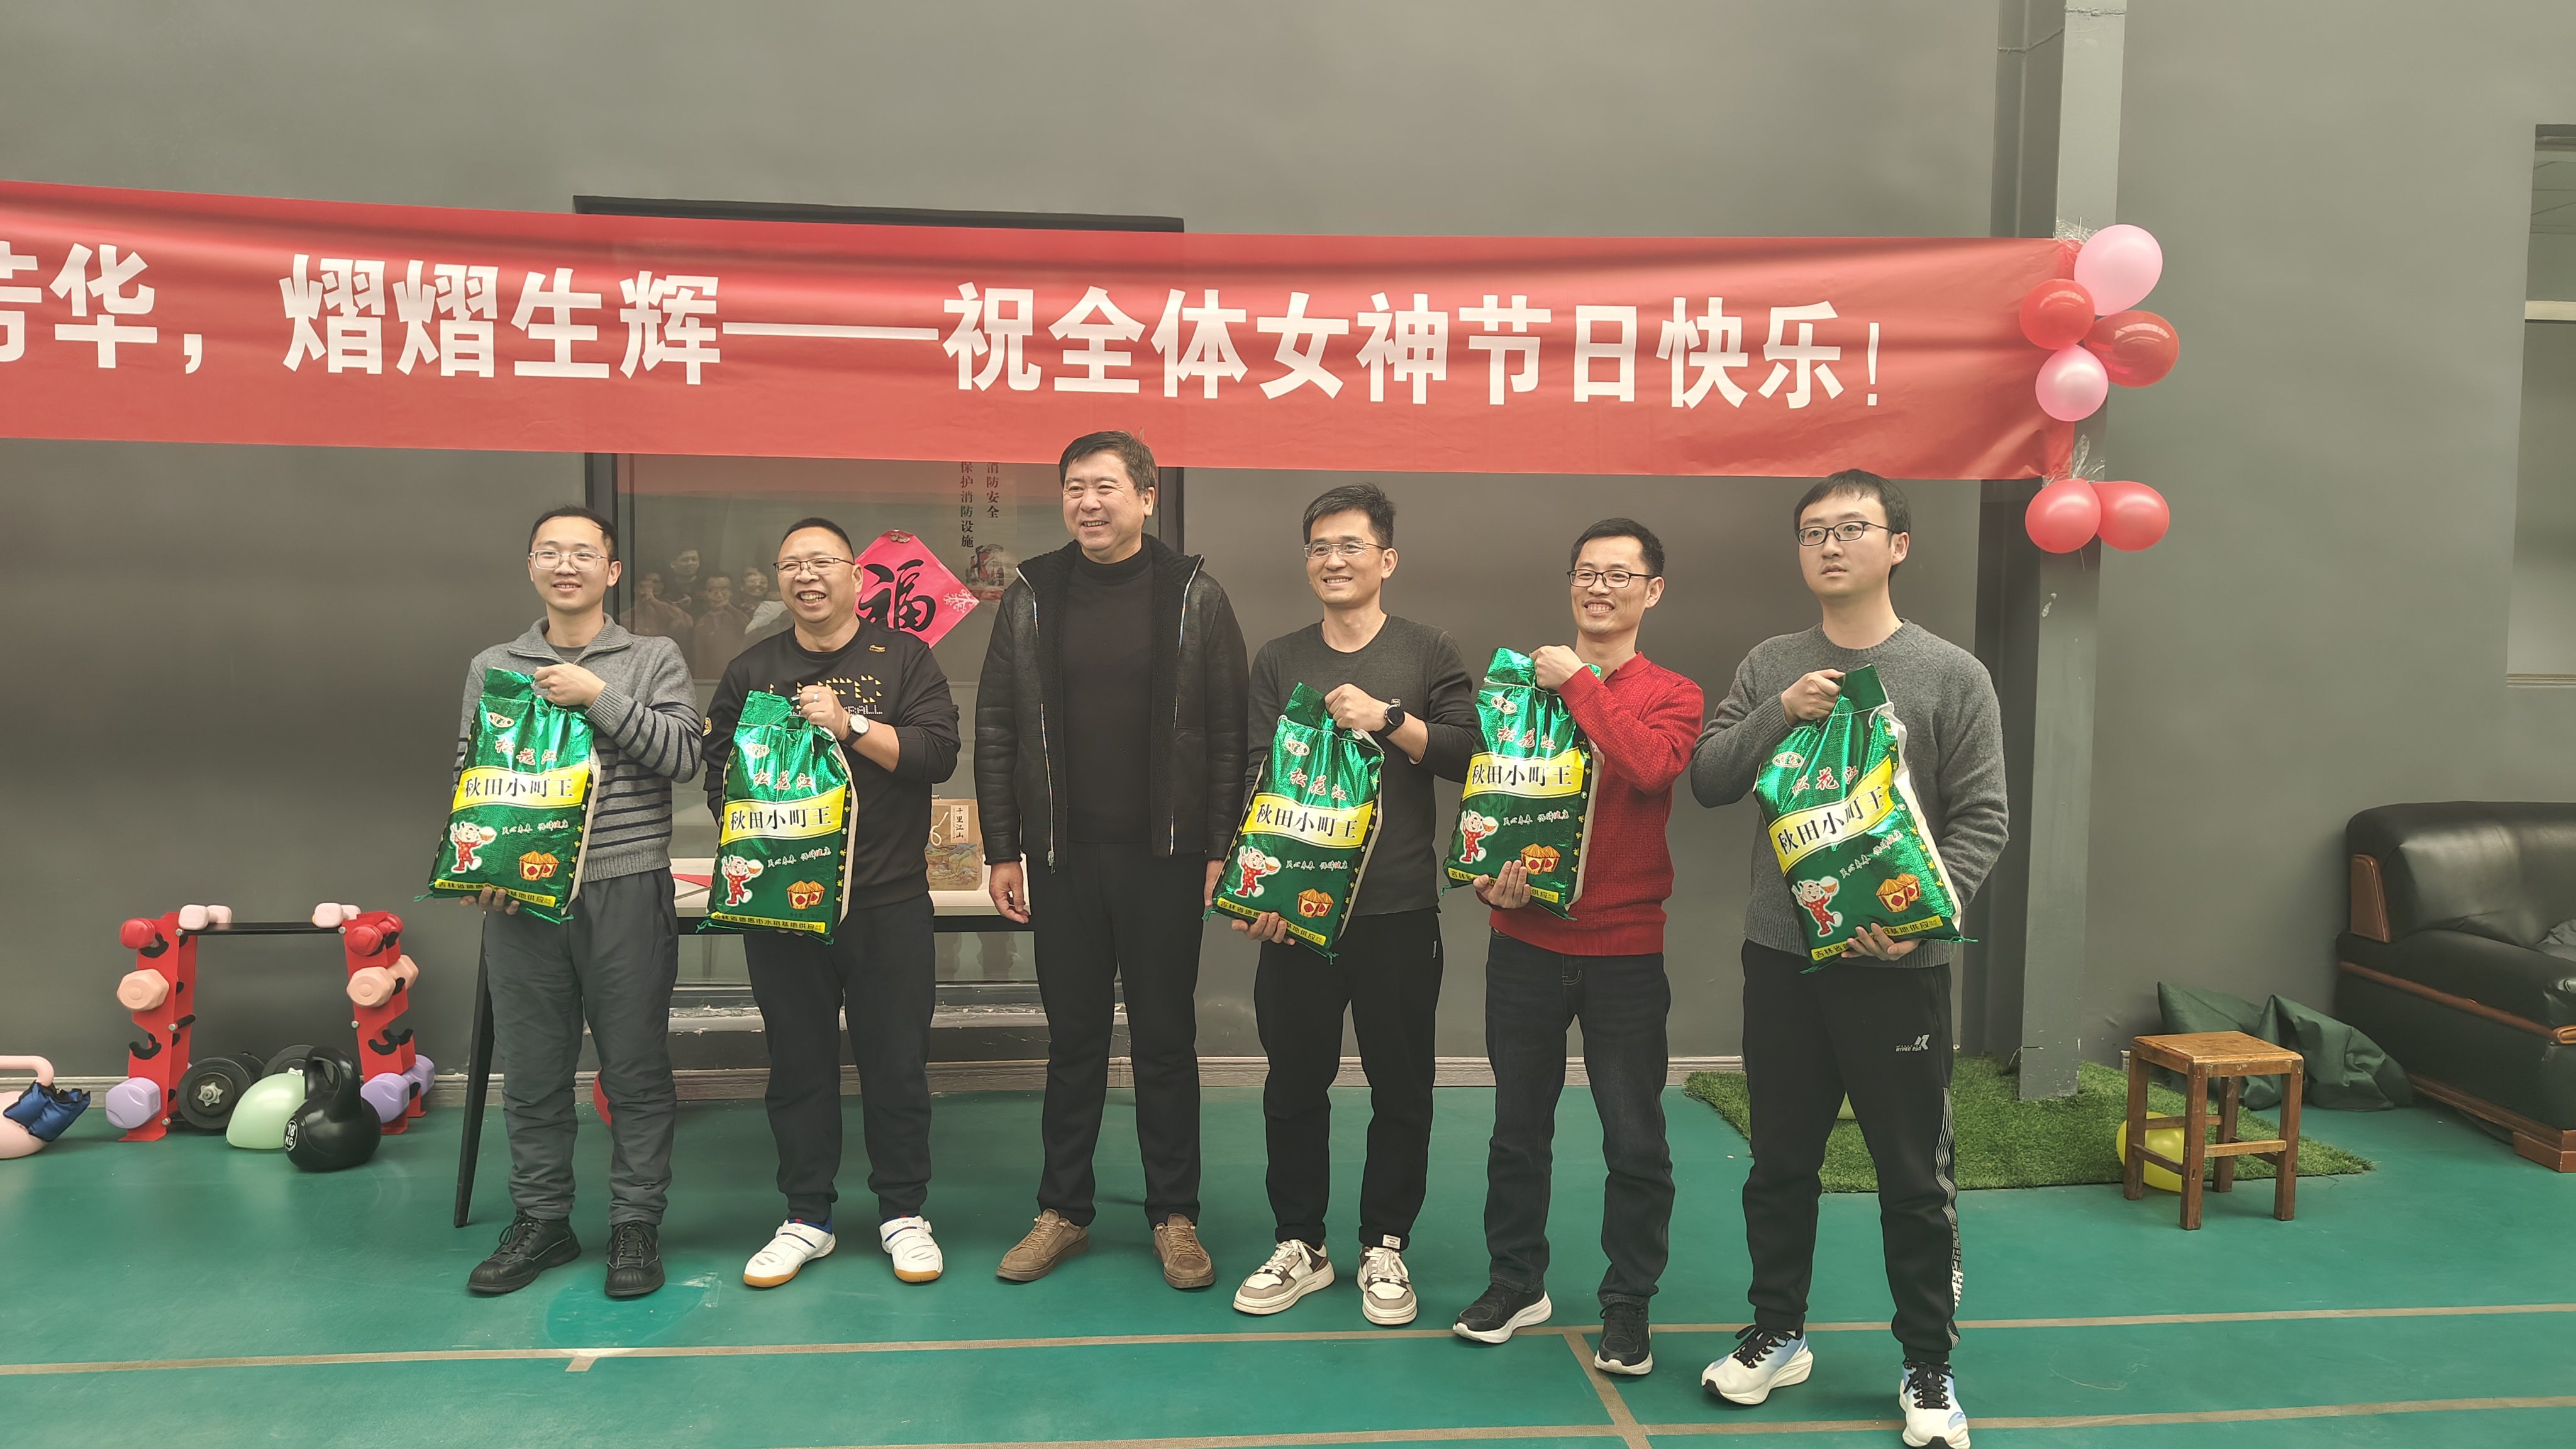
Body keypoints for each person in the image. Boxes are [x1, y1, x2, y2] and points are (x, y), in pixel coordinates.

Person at [1687, 470, 2007, 1448]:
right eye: (1813, 531)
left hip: (1899, 971)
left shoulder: (1950, 674)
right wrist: (1779, 710)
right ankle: (1778, 1333)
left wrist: (1923, 921)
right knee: (1780, 1163)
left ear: (1897, 545)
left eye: (1852, 528)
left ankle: (1928, 1366)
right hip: (1784, 959)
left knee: (1913, 1179)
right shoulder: (1772, 663)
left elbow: (1983, 818)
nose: (1831, 545)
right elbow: (1709, 778)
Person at [974, 429, 1248, 1291]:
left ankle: (1175, 1215)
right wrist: (1002, 848)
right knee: (1074, 1039)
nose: (1087, 503)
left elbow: (1229, 734)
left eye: (1104, 487)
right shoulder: (1031, 595)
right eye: (1073, 488)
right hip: (1062, 858)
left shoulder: (1195, 597)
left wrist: (1219, 847)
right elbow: (996, 728)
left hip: (1165, 857)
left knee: (1165, 1038)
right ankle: (1062, 1210)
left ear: (1146, 497)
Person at [1447, 519, 1704, 1377]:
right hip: (1523, 944)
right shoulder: (1517, 692)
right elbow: (1495, 799)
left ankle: (1627, 1304)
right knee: (1517, 1130)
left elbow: (1650, 767)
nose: (1599, 587)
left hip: (1625, 951)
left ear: (1651, 591)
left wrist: (1579, 685)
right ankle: (1515, 1282)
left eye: (1619, 575)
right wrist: (1488, 881)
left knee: (1635, 1140)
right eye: (1587, 572)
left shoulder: (1672, 692)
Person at [1226, 484, 1477, 1327]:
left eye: (1351, 546)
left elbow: (1467, 754)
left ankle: (1384, 1245)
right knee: (1293, 1083)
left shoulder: (1426, 650)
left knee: (1402, 1088)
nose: (1333, 561)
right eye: (1320, 548)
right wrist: (1256, 889)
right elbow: (1257, 775)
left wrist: (1388, 718)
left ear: (1386, 560)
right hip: (1297, 917)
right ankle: (1300, 1242)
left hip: (1397, 911)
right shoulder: (1279, 659)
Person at [703, 518, 962, 1292]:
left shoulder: (905, 658)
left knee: (897, 1064)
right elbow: (718, 779)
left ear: (856, 576)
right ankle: (805, 1217)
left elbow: (936, 755)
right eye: (791, 565)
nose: (806, 576)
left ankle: (903, 1214)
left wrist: (849, 725)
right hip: (782, 904)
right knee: (796, 1064)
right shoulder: (753, 669)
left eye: (821, 562)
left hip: (887, 900)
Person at [457, 506, 701, 1300]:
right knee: (532, 1072)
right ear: (531, 565)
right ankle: (542, 1220)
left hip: (626, 885)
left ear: (612, 570)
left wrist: (598, 695)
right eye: (550, 552)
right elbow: (472, 770)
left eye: (583, 554)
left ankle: (636, 1224)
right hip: (522, 894)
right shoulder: (496, 664)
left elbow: (684, 757)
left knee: (635, 1070)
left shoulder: (652, 657)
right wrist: (481, 861)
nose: (566, 565)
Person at [691, 573, 750, 677]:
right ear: (704, 593)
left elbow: (749, 629)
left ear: (731, 592)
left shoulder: (742, 614)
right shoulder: (700, 621)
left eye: (723, 589)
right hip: (712, 681)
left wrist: (729, 607)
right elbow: (700, 660)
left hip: (739, 677)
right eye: (712, 590)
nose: (718, 594)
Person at [625, 570, 693, 641]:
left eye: (655, 582)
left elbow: (687, 623)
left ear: (662, 586)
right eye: (647, 581)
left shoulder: (671, 606)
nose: (650, 585)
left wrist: (653, 601)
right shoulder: (627, 613)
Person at [665, 547, 704, 615]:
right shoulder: (666, 587)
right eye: (685, 560)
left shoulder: (706, 585)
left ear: (699, 563)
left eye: (694, 560)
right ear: (673, 564)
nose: (690, 563)